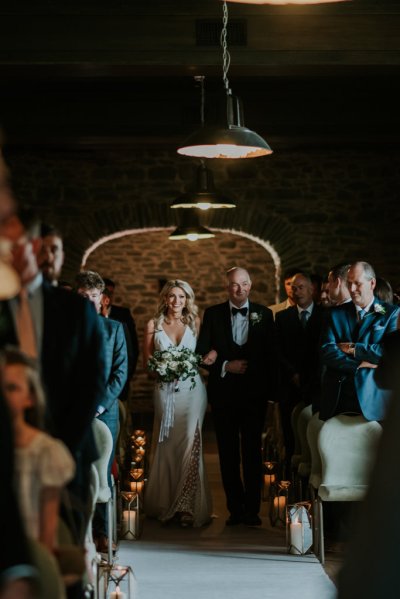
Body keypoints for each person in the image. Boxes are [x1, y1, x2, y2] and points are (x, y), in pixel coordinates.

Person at [197, 267, 277, 526]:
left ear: (250, 286)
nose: (239, 289)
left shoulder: (264, 315)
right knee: (227, 451)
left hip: (254, 394)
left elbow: (270, 356)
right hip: (224, 394)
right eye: (234, 284)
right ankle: (235, 509)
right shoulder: (212, 314)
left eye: (243, 284)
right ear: (227, 286)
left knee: (253, 450)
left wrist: (267, 388)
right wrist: (224, 365)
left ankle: (252, 510)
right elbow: (201, 353)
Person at [143, 279, 213, 528]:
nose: (177, 302)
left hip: (192, 392)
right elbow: (147, 362)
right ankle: (166, 502)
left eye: (182, 297)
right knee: (167, 444)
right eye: (172, 296)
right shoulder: (154, 325)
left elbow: (204, 356)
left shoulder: (195, 323)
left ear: (187, 300)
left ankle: (187, 505)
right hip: (165, 391)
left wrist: (209, 358)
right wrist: (162, 368)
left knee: (190, 443)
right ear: (164, 298)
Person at [0, 347, 75, 552]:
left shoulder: (45, 451)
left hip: (29, 554)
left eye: (12, 388)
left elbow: (47, 535)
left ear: (30, 397)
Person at [75, 270, 128, 552]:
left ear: (101, 299)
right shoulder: (65, 329)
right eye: (83, 296)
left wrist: (97, 406)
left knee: (103, 472)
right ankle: (76, 531)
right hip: (72, 412)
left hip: (104, 413)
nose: (88, 301)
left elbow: (120, 375)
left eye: (93, 297)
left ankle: (102, 532)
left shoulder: (115, 330)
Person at [320, 261, 400, 422]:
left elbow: (388, 352)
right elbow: (327, 350)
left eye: (357, 283)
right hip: (340, 396)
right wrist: (357, 365)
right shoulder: (334, 314)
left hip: (374, 398)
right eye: (349, 284)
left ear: (372, 283)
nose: (352, 289)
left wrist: (354, 348)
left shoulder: (390, 313)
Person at [275, 272, 325, 467]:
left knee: (312, 435)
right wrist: (292, 374)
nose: (296, 292)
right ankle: (290, 478)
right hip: (290, 384)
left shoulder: (324, 316)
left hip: (316, 383)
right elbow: (277, 350)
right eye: (294, 288)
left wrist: (311, 376)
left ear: (312, 289)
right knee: (290, 435)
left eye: (301, 287)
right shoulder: (282, 317)